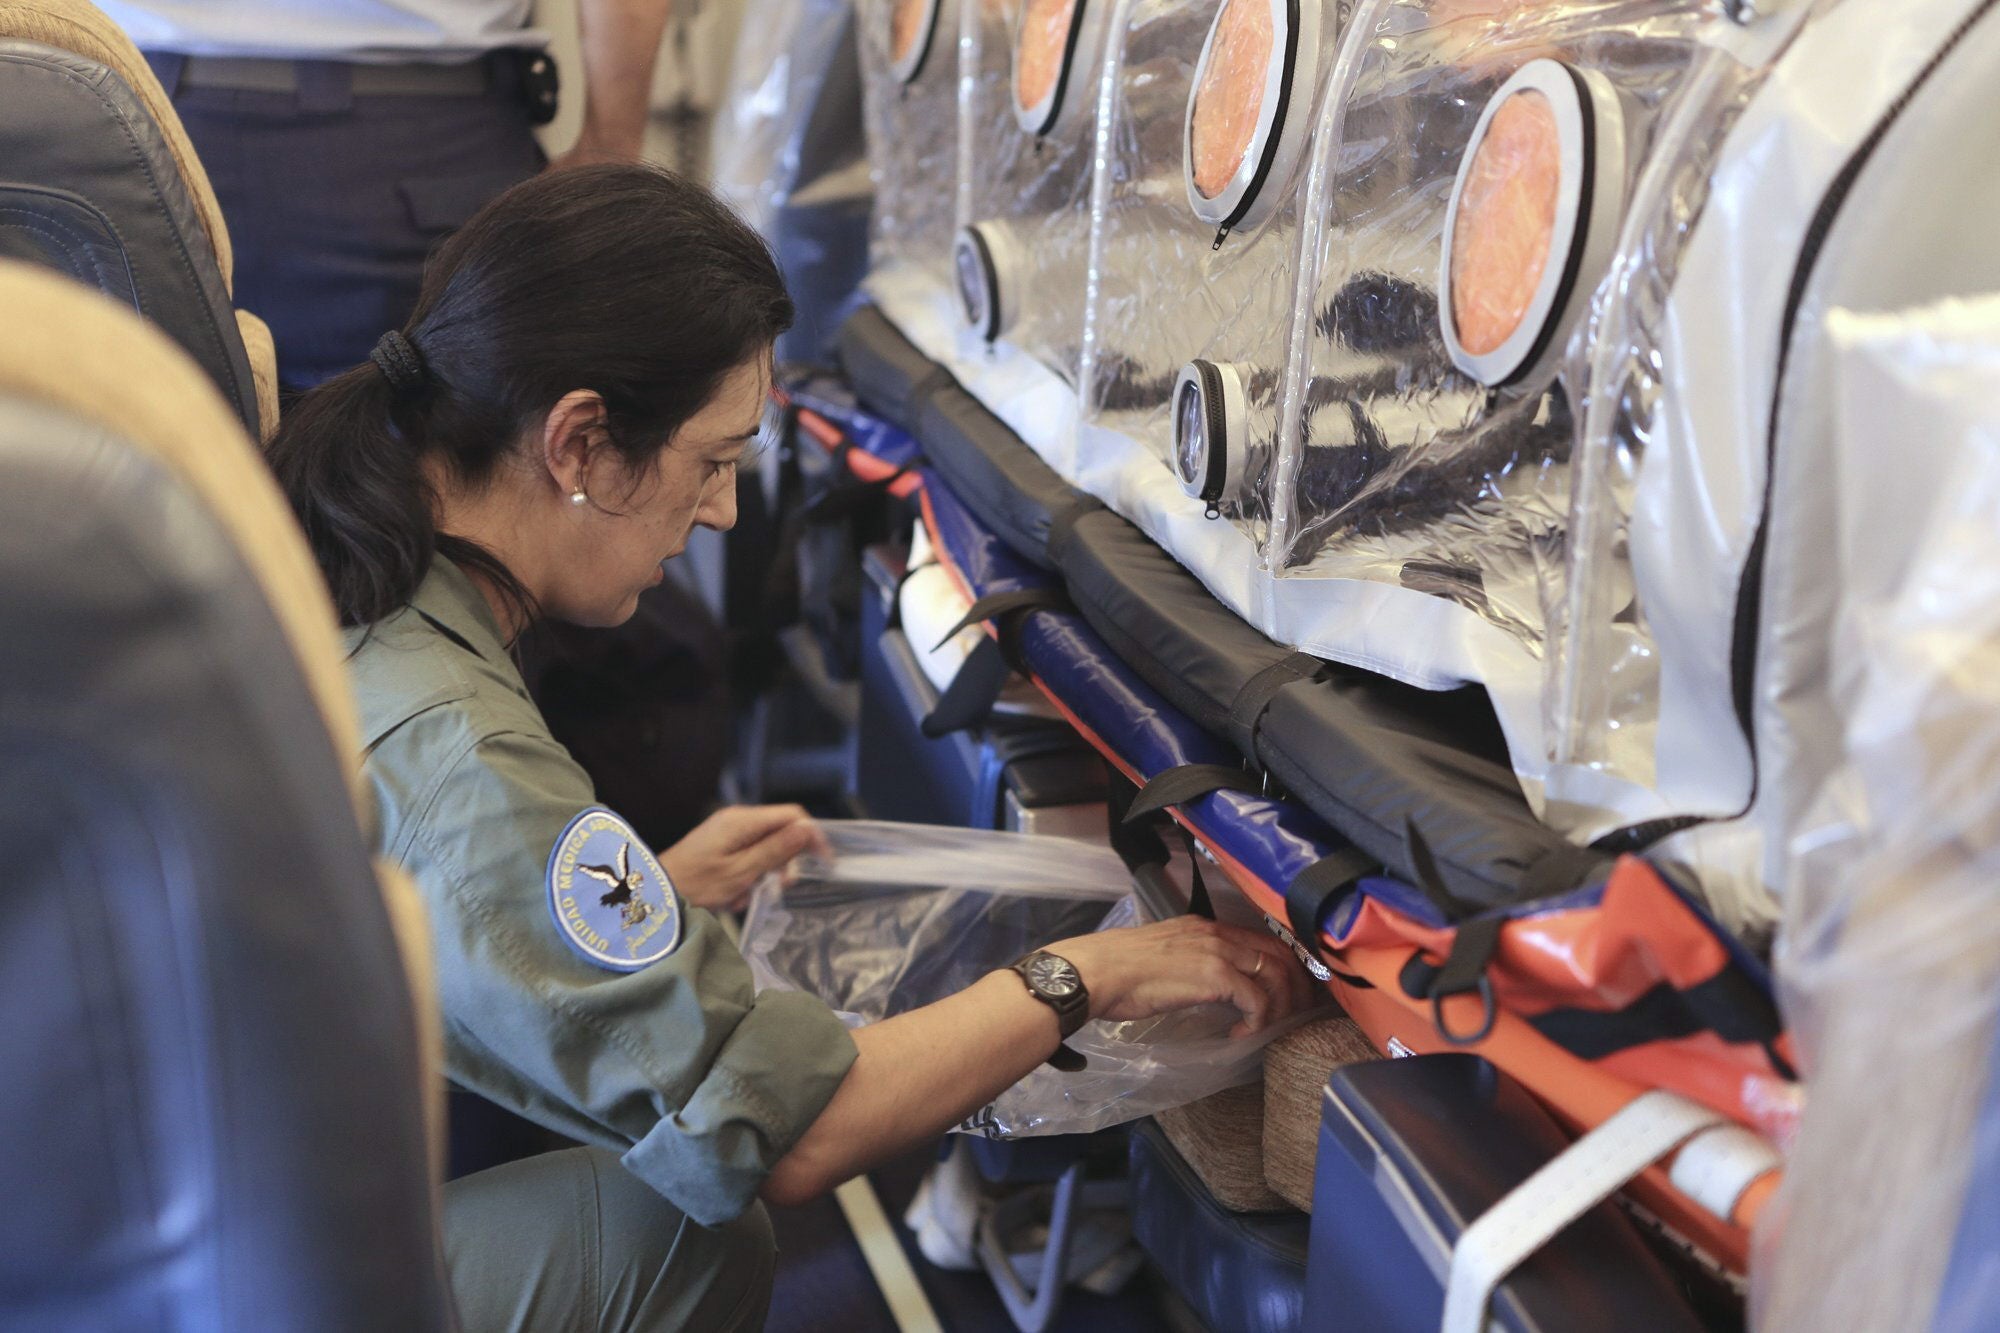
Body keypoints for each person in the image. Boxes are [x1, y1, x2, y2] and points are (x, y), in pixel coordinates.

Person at [267, 163, 1316, 1330]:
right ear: (576, 441)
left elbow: (417, 910)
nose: (718, 510)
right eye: (712, 462)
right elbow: (792, 1135)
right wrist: (1086, 976)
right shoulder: (461, 759)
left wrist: (639, 898)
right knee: (677, 1232)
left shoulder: (356, 551)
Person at [101, 0, 676, 391]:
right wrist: (609, 151)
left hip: (123, 134)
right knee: (405, 513)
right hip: (418, 154)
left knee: (143, 503)